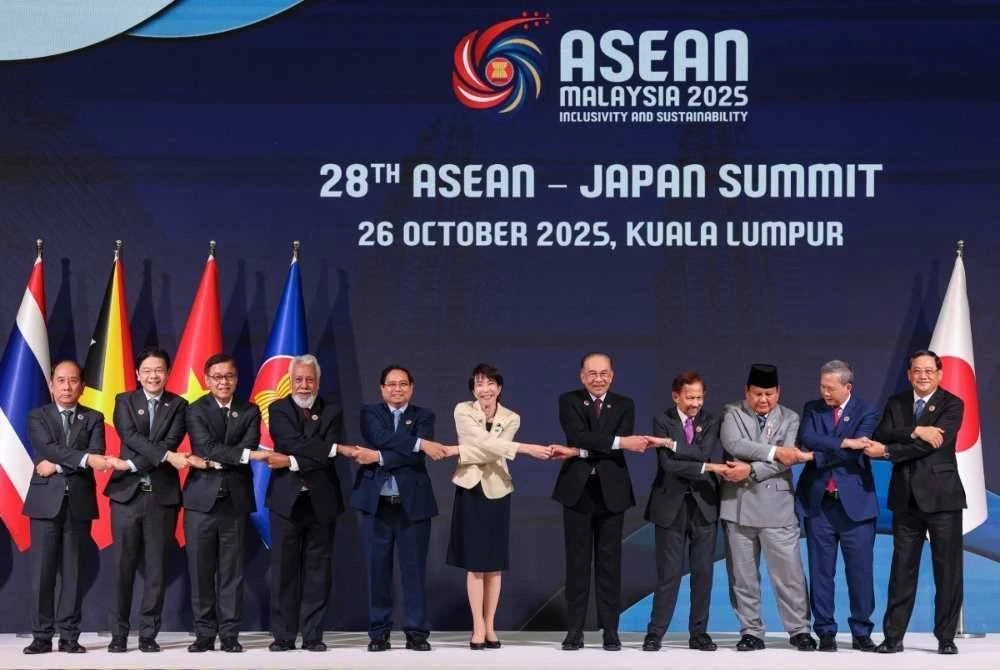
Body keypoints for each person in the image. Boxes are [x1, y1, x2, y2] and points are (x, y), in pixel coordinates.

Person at [861, 350, 965, 655]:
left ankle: (946, 637)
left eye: (929, 371)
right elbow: (882, 433)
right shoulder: (897, 402)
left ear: (939, 374)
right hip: (905, 497)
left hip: (942, 497)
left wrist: (889, 452)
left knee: (947, 570)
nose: (923, 376)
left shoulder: (952, 404)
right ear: (909, 374)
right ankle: (893, 637)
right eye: (917, 371)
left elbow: (932, 446)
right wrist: (916, 429)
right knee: (902, 570)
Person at [444, 363, 555, 649]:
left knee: (494, 565)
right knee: (475, 565)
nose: (485, 389)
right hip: (470, 488)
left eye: (491, 383)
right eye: (480, 384)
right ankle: (477, 627)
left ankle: (491, 626)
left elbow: (485, 449)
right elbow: (484, 444)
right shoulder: (462, 410)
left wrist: (459, 450)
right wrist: (525, 448)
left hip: (498, 490)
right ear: (473, 389)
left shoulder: (512, 417)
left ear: (499, 388)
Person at [550, 352, 650, 651]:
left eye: (603, 373)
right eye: (592, 373)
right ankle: (575, 631)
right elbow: (577, 435)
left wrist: (580, 449)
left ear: (612, 375)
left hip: (612, 492)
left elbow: (586, 442)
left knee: (609, 564)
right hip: (577, 491)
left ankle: (610, 631)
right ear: (582, 376)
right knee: (577, 564)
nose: (598, 378)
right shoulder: (568, 401)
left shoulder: (624, 404)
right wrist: (616, 443)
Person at [350, 364, 453, 652]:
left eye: (403, 384)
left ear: (412, 387)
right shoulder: (370, 413)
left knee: (414, 571)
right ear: (382, 388)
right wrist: (419, 444)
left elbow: (412, 460)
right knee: (378, 571)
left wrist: (379, 457)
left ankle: (417, 633)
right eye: (391, 384)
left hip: (413, 507)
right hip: (376, 505)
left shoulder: (424, 416)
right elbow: (383, 439)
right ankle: (379, 632)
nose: (397, 388)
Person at [719, 363, 816, 652]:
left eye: (769, 394)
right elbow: (734, 444)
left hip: (777, 505)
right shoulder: (732, 412)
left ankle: (799, 630)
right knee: (743, 575)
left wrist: (748, 471)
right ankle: (751, 631)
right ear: (746, 392)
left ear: (778, 392)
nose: (764, 400)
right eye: (758, 394)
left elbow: (787, 460)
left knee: (789, 575)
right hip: (737, 506)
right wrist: (775, 451)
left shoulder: (790, 417)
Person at [265, 354, 357, 652]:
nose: (304, 386)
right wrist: (329, 449)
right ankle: (283, 636)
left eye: (310, 380)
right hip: (285, 501)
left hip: (322, 500)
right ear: (290, 382)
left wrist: (290, 460)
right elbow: (292, 441)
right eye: (299, 380)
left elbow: (299, 449)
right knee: (283, 570)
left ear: (318, 382)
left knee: (318, 571)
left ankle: (313, 635)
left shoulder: (332, 410)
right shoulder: (277, 408)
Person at [106, 347, 191, 653]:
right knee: (122, 567)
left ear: (167, 374)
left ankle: (148, 635)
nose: (154, 375)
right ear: (138, 374)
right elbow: (130, 437)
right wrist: (166, 456)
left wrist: (131, 463)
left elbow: (170, 441)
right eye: (148, 370)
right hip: (126, 496)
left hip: (162, 496)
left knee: (156, 569)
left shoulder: (180, 405)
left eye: (159, 370)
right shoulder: (124, 401)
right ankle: (118, 634)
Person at [22, 360, 109, 655]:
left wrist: (58, 465)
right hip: (45, 504)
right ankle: (41, 636)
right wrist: (80, 460)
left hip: (79, 504)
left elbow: (96, 455)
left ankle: (70, 636)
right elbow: (46, 448)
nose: (67, 386)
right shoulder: (38, 416)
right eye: (61, 380)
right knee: (43, 574)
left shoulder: (94, 417)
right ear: (51, 385)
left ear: (82, 386)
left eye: (73, 381)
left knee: (73, 573)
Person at [182, 353, 267, 653]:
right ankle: (204, 633)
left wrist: (218, 460)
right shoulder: (195, 409)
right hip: (199, 502)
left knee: (232, 571)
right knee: (201, 570)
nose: (223, 382)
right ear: (207, 380)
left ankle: (230, 633)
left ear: (236, 379)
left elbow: (251, 444)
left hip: (235, 500)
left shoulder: (251, 410)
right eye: (217, 377)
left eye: (228, 376)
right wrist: (239, 457)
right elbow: (203, 446)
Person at [794, 360, 880, 652]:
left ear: (848, 387)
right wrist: (846, 442)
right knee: (820, 571)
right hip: (819, 504)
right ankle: (826, 631)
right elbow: (807, 438)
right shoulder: (812, 408)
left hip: (856, 505)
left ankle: (861, 630)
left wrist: (817, 455)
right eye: (821, 386)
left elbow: (857, 454)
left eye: (830, 388)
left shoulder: (867, 411)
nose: (824, 392)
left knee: (860, 571)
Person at [642, 371, 727, 652]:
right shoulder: (662, 420)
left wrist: (673, 444)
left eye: (699, 397)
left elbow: (703, 452)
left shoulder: (711, 419)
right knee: (668, 573)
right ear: (676, 396)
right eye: (690, 397)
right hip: (670, 506)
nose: (695, 403)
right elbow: (669, 466)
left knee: (703, 573)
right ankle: (655, 633)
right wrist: (706, 467)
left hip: (704, 504)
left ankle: (699, 634)